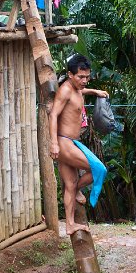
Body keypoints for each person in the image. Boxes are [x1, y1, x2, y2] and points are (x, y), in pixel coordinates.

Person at [49, 54, 108, 235]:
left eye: (87, 77)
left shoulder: (76, 89)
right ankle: (76, 190)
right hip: (64, 142)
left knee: (70, 183)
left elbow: (81, 91)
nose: (84, 81)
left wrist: (95, 92)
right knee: (99, 169)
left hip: (70, 142)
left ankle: (69, 224)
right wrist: (53, 144)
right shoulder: (66, 90)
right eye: (80, 77)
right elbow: (53, 115)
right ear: (69, 75)